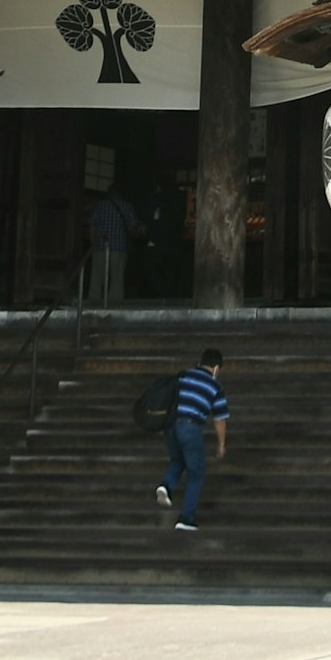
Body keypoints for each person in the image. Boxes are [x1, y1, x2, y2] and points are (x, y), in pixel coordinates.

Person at [154, 347, 228, 532]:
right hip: (190, 426)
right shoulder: (215, 386)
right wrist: (221, 444)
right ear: (217, 368)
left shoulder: (183, 375)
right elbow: (220, 419)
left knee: (178, 460)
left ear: (200, 362)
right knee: (196, 474)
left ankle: (166, 485)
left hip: (170, 425)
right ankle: (186, 519)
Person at [84, 188, 143, 306]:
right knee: (117, 278)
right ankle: (114, 304)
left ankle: (93, 303)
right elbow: (132, 226)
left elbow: (92, 225)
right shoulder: (126, 206)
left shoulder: (100, 205)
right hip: (119, 247)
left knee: (96, 277)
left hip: (100, 246)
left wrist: (92, 241)